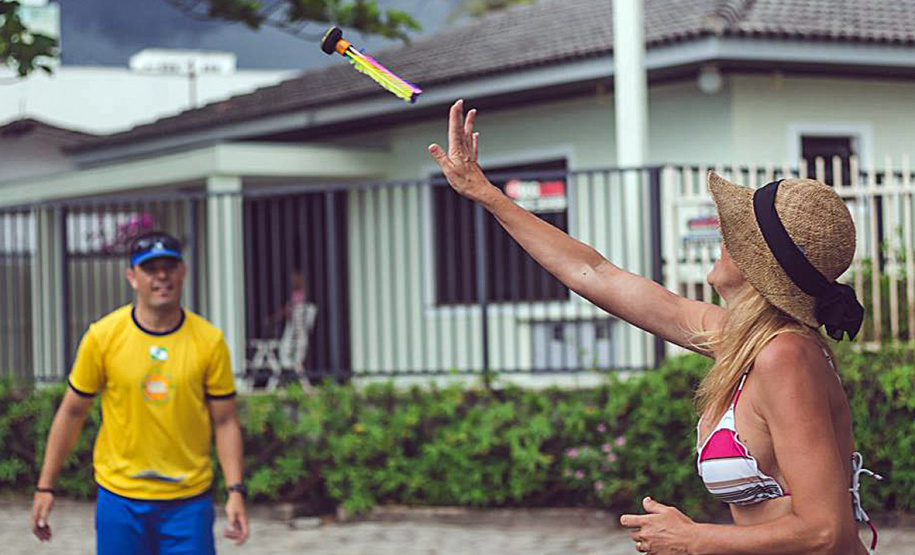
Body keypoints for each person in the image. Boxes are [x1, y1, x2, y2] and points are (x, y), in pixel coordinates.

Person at [429, 99, 878, 554]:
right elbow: (597, 274)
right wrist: (487, 194)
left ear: (760, 267)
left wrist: (695, 538)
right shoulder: (744, 342)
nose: (722, 237)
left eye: (736, 235)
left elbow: (826, 531)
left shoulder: (786, 356)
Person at [30, 231, 250, 554]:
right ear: (132, 277)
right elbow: (72, 411)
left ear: (183, 272)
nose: (161, 276)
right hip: (121, 501)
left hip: (187, 503)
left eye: (169, 266)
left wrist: (235, 491)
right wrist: (45, 486)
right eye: (150, 269)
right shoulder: (103, 337)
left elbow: (225, 421)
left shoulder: (208, 341)